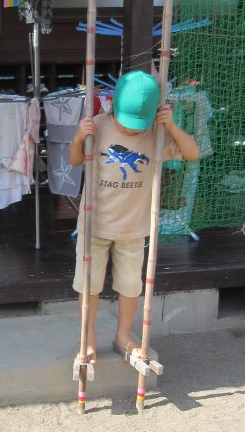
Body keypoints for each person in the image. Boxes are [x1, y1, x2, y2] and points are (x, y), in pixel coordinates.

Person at [69, 70, 199, 362]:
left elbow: (192, 153)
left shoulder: (157, 132)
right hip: (95, 224)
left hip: (134, 226)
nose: (131, 130)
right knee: (89, 283)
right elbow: (74, 160)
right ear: (113, 107)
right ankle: (88, 337)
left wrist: (172, 126)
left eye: (137, 125)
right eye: (126, 123)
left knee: (130, 285)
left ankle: (124, 335)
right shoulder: (97, 125)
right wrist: (78, 138)